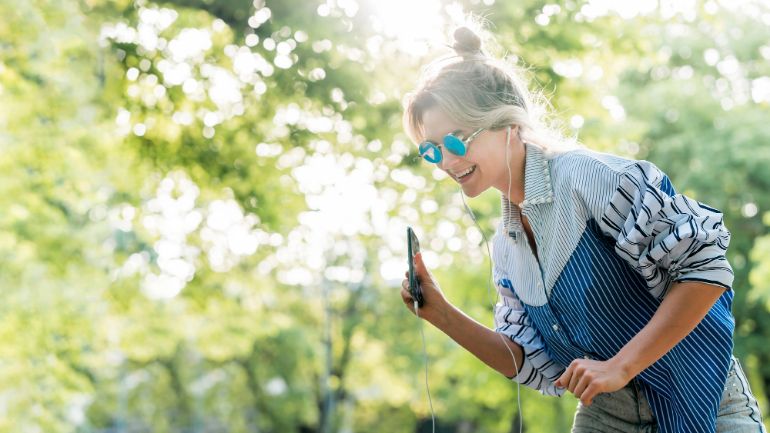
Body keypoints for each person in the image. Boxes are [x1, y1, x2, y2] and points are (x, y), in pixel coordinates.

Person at [399, 25, 766, 433]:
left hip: (706, 397)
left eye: (454, 140)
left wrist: (620, 366)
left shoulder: (588, 178)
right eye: (430, 150)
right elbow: (532, 362)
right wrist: (440, 314)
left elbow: (705, 269)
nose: (445, 161)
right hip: (608, 414)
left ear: (507, 124)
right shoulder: (506, 248)